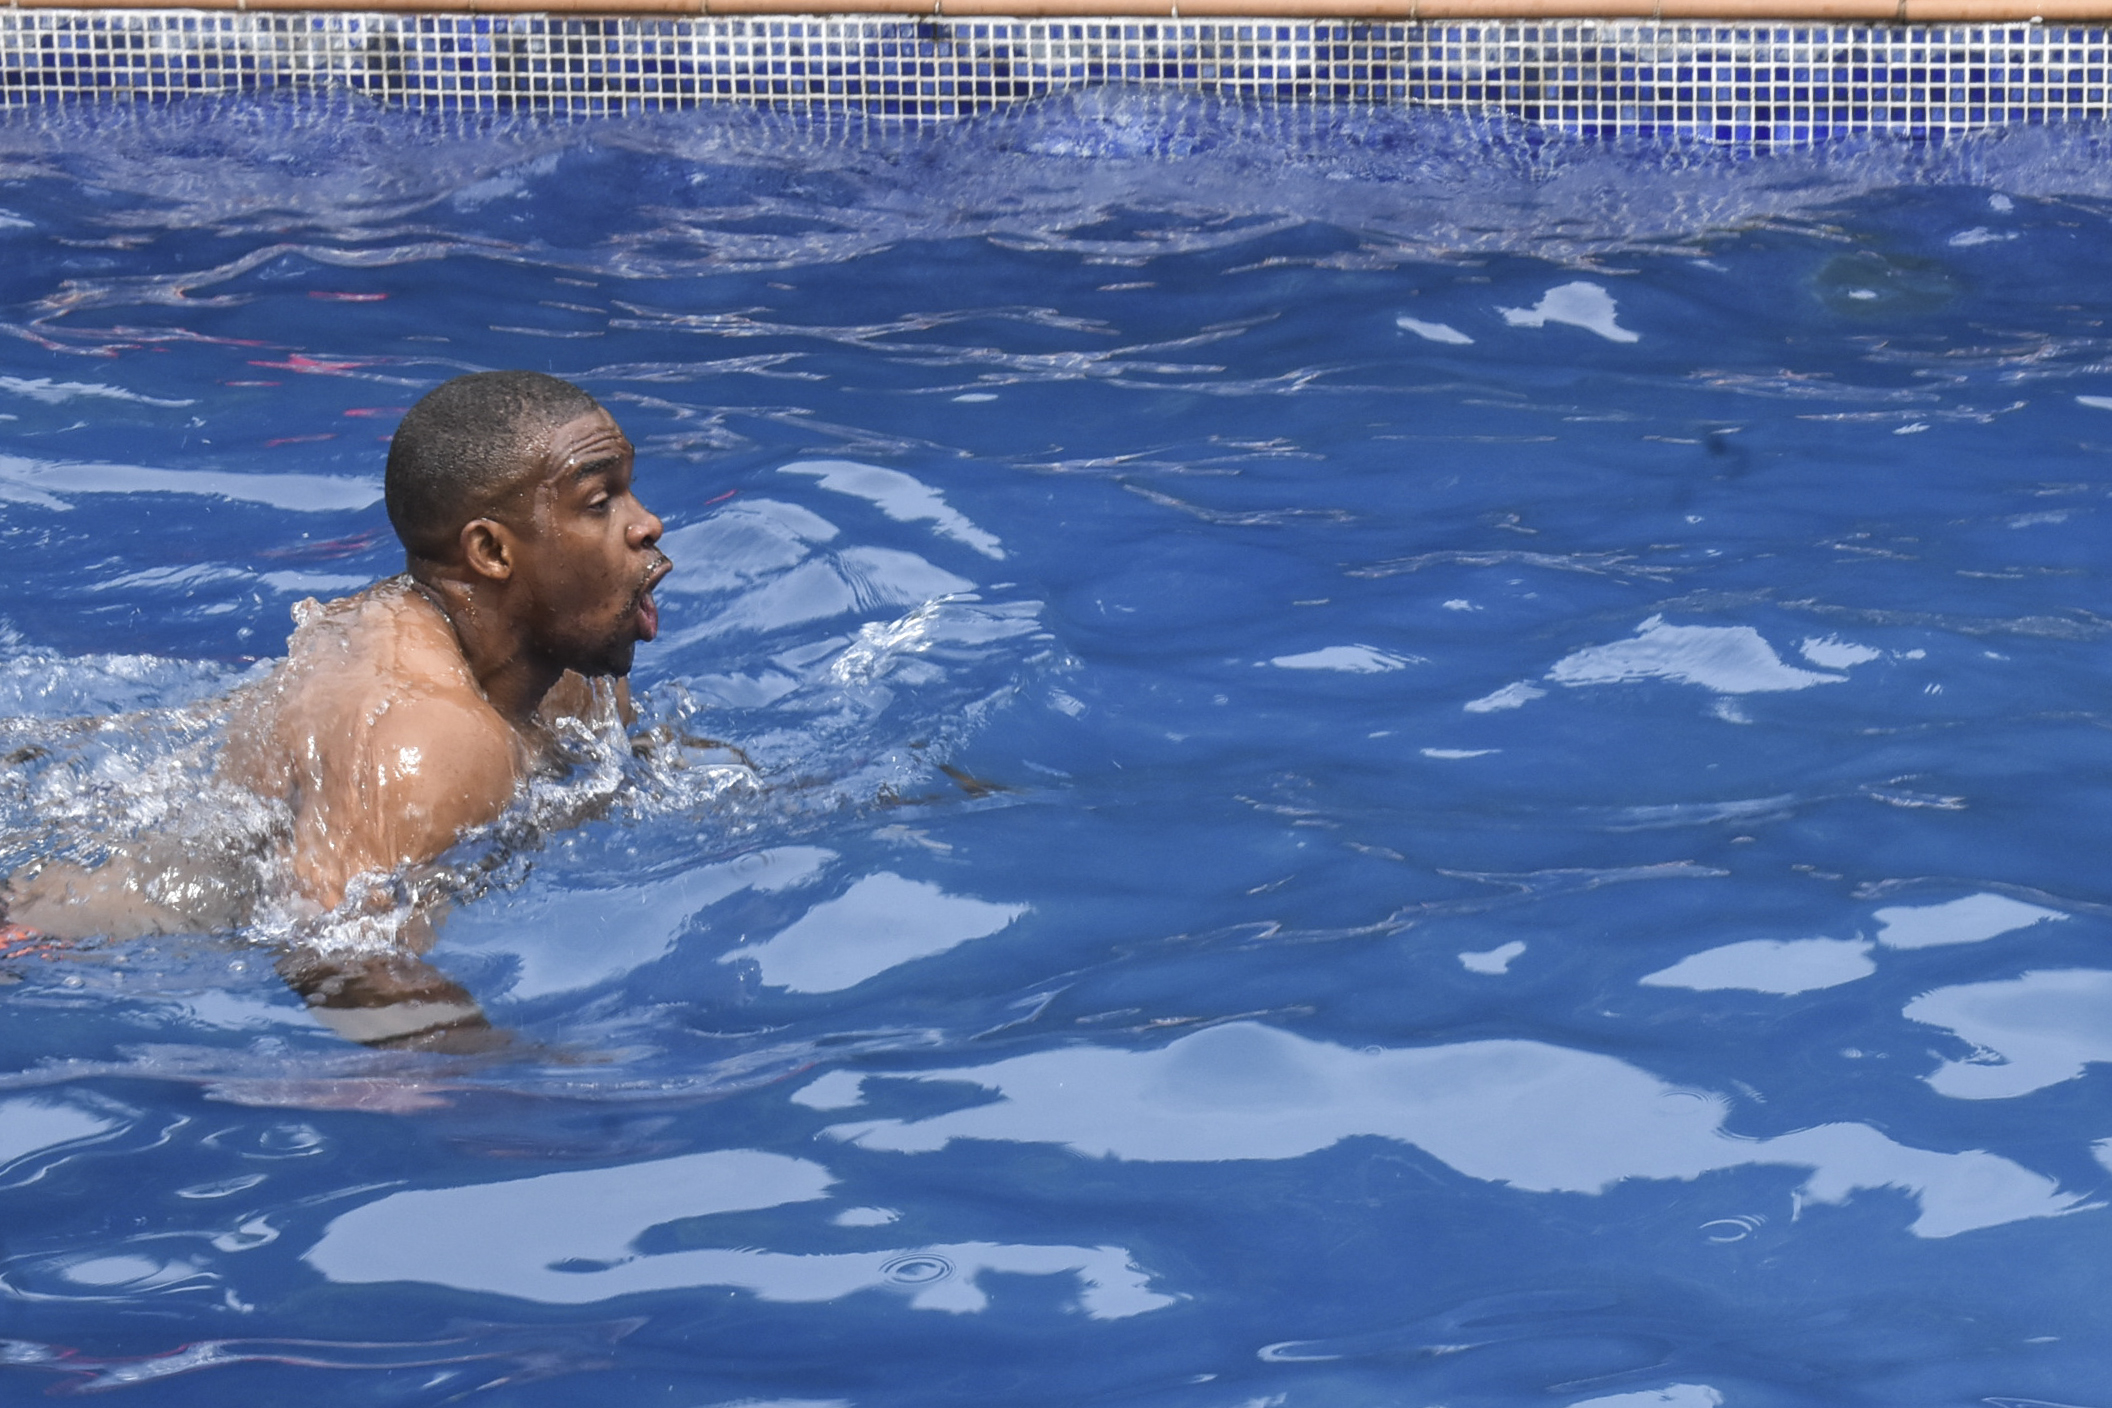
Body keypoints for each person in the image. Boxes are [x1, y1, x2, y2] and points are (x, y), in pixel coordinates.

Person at [2, 371, 672, 1050]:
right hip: (46, 942)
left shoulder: (567, 671)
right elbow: (334, 958)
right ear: (492, 551)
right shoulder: (419, 742)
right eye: (599, 502)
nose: (647, 523)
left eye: (629, 490)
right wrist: (523, 1076)